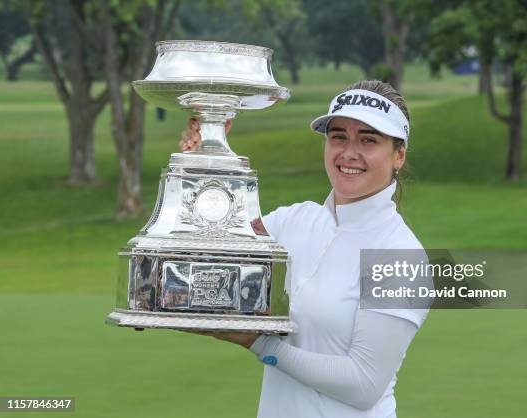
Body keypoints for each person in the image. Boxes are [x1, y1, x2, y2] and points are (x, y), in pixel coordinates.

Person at [180, 80, 430, 418]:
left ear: (398, 155)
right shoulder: (293, 221)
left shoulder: (400, 255)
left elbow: (364, 384)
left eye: (368, 139)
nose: (348, 152)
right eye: (338, 136)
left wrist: (260, 343)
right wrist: (201, 163)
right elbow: (205, 250)